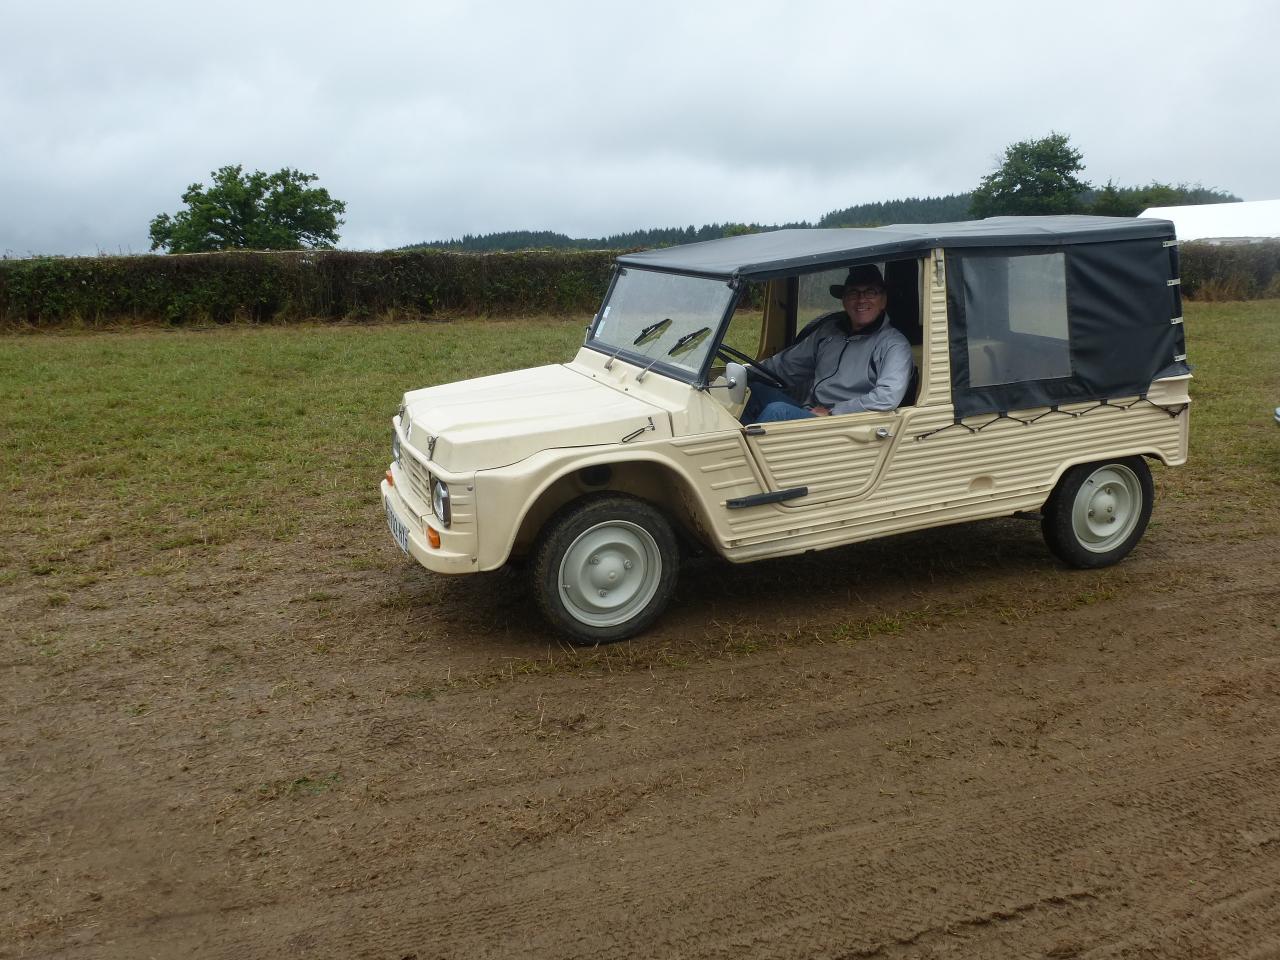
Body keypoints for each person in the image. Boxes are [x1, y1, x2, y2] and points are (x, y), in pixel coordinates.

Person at [740, 264, 913, 423]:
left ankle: (740, 456)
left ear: (883, 301)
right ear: (844, 301)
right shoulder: (829, 332)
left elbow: (887, 396)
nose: (861, 300)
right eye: (853, 293)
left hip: (846, 422)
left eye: (870, 293)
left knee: (778, 412)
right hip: (813, 410)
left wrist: (834, 411)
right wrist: (746, 374)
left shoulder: (893, 344)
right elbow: (786, 365)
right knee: (752, 391)